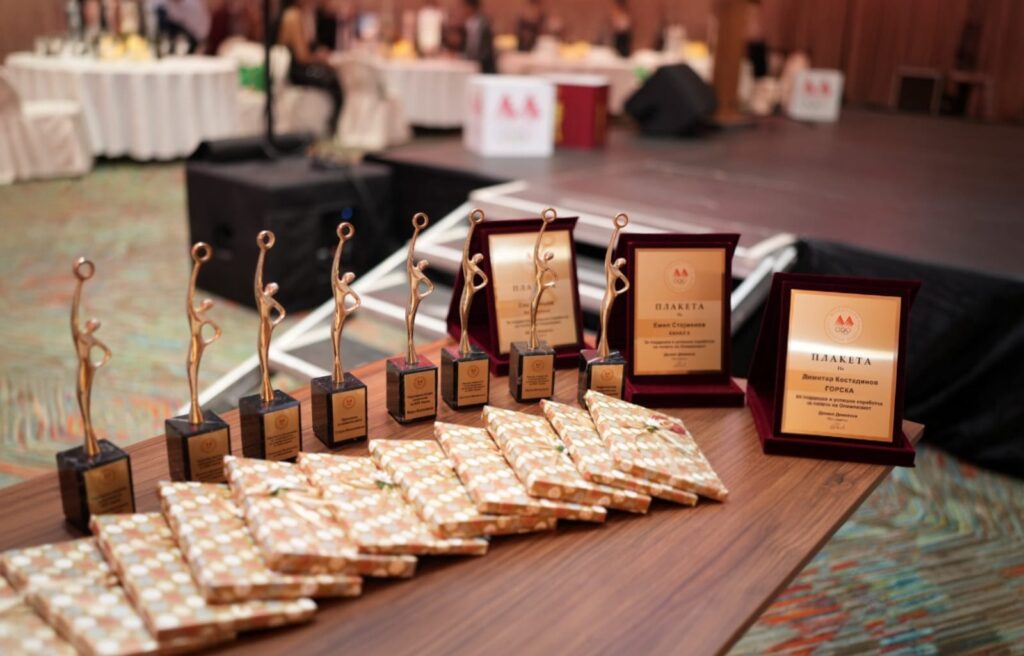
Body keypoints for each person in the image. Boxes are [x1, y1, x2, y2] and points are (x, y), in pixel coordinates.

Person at [277, 0, 344, 135]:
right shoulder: (293, 15)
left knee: (333, 77)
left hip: (296, 68)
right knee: (334, 80)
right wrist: (321, 60)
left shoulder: (296, 14)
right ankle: (333, 127)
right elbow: (302, 57)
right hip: (296, 71)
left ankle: (333, 125)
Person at [460, 0, 495, 74]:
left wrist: (475, 60)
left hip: (484, 66)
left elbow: (485, 49)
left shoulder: (484, 23)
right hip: (469, 63)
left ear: (470, 8)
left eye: (463, 7)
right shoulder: (467, 23)